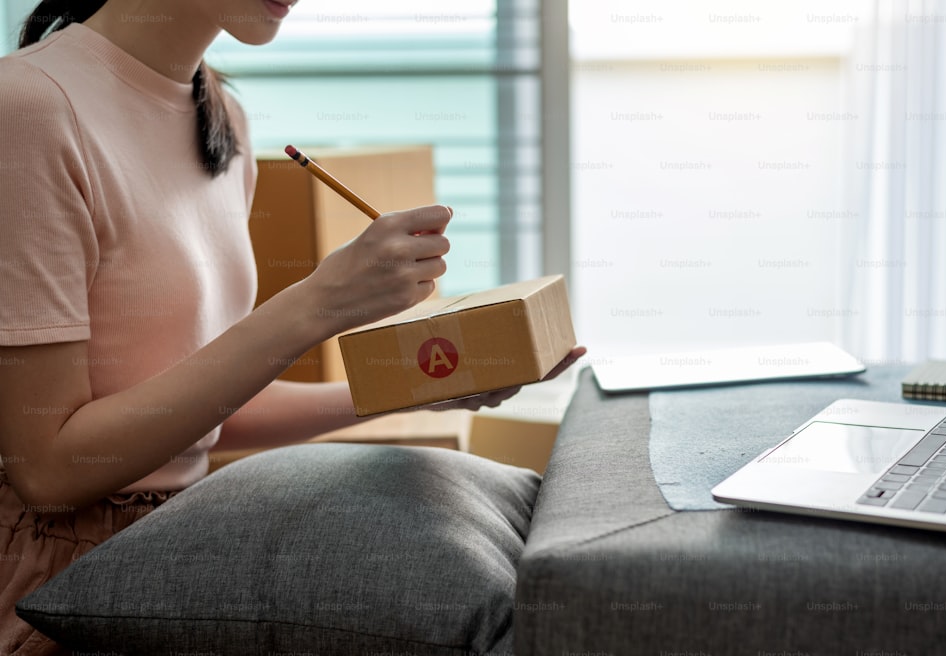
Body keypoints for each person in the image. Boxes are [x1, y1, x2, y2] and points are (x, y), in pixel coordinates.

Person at [0, 1, 585, 653]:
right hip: (59, 585)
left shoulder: (220, 115)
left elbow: (207, 412)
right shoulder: (26, 107)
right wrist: (315, 305)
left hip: (185, 550)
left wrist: (418, 389)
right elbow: (47, 467)